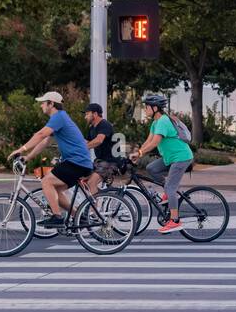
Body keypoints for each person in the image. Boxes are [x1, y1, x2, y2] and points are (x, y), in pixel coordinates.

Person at [9, 92, 94, 228]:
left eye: (43, 102)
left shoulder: (58, 117)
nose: (41, 105)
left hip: (77, 162)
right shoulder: (60, 118)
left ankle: (57, 217)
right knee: (56, 191)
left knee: (47, 181)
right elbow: (44, 141)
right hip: (78, 163)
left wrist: (21, 149)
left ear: (51, 104)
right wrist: (28, 157)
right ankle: (78, 216)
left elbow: (40, 134)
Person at [128, 93, 195, 234]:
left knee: (170, 188)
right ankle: (169, 192)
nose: (145, 109)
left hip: (181, 157)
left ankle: (175, 221)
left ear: (154, 108)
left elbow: (155, 142)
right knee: (151, 168)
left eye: (146, 107)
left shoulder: (163, 121)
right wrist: (138, 153)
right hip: (170, 158)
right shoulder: (155, 123)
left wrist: (139, 154)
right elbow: (148, 141)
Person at [84, 102, 117, 193]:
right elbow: (85, 142)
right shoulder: (92, 128)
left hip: (110, 162)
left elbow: (99, 140)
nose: (85, 117)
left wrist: (83, 148)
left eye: (87, 114)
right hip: (99, 161)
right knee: (83, 179)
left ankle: (94, 207)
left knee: (91, 183)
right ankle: (102, 195)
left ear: (95, 114)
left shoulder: (104, 124)